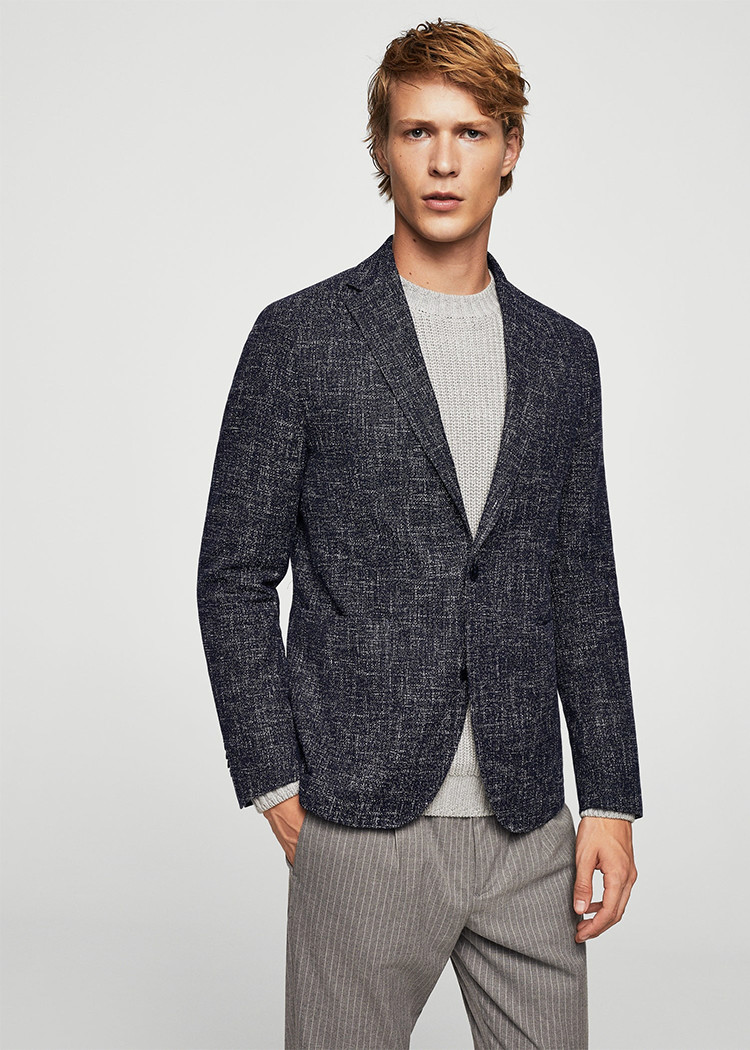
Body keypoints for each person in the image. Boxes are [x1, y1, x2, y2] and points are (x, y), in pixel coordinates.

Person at [196, 18, 642, 1050]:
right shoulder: (301, 338)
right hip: (361, 820)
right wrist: (275, 783)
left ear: (511, 150)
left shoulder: (564, 356)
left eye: (471, 133)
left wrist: (611, 799)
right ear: (383, 149)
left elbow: (583, 584)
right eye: (417, 132)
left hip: (530, 826)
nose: (444, 161)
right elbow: (233, 574)